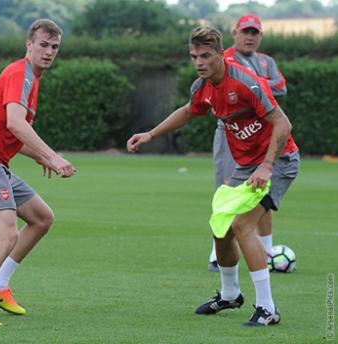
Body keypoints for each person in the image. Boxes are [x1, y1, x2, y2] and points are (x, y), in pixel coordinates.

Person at [126, 26, 299, 326]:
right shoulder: (202, 87)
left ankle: (268, 309)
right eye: (194, 56)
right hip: (246, 166)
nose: (199, 62)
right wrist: (151, 134)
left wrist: (267, 166)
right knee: (220, 229)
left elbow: (283, 124)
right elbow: (188, 111)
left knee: (243, 225)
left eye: (206, 56)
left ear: (222, 54)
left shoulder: (246, 83)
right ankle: (230, 294)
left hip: (279, 161)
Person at [0, 18, 75, 317]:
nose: (49, 52)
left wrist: (41, 157)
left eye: (55, 47)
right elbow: (15, 123)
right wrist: (53, 155)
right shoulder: (20, 73)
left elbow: (11, 134)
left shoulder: (31, 79)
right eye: (44, 45)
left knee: (41, 218)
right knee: (6, 235)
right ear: (29, 44)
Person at [207, 13, 288, 272]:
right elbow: (248, 85)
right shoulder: (226, 57)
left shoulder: (266, 61)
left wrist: (254, 83)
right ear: (235, 32)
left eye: (255, 33)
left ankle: (267, 249)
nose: (250, 37)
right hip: (231, 131)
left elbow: (282, 86)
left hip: (260, 130)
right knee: (227, 188)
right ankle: (217, 250)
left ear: (261, 35)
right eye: (246, 32)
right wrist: (259, 84)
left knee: (260, 187)